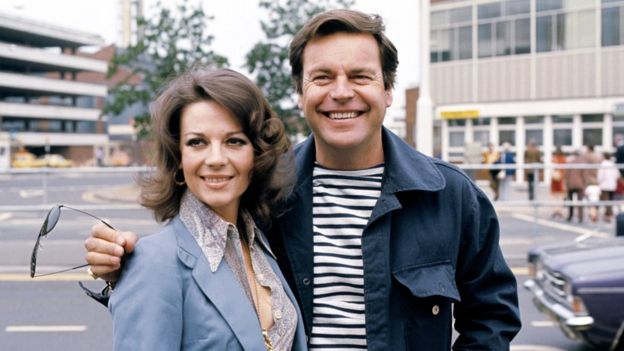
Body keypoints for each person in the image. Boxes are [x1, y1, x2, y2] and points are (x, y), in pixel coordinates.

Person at [85, 9, 521, 349]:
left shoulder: (449, 195)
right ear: (301, 92)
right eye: (323, 77)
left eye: (360, 76)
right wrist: (125, 263)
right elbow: (200, 266)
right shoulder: (266, 192)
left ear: (388, 90)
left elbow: (492, 317)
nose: (341, 92)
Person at [102, 68, 307, 350]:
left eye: (234, 141)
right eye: (197, 142)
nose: (215, 159)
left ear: (256, 155)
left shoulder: (262, 245)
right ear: (179, 159)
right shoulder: (154, 262)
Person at [565, 149, 588, 223]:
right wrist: (585, 185)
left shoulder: (570, 162)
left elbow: (567, 174)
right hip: (579, 184)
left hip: (571, 184)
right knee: (580, 201)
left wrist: (567, 183)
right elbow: (584, 176)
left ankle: (570, 216)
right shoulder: (582, 163)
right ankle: (580, 217)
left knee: (570, 201)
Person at [598, 152, 620, 222]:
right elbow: (617, 175)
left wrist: (599, 182)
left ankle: (609, 215)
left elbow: (600, 176)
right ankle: (609, 213)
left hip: (605, 185)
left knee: (606, 201)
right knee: (610, 200)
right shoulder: (613, 164)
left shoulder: (603, 164)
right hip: (612, 185)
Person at [550, 146, 567, 219]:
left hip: (556, 179)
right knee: (560, 196)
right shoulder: (563, 159)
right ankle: (559, 210)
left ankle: (556, 210)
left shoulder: (555, 159)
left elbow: (552, 169)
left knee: (556, 196)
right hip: (561, 179)